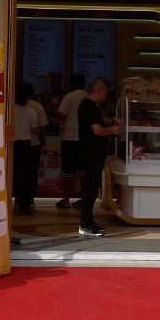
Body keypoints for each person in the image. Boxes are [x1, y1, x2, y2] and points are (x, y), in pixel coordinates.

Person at [76, 77, 121, 237]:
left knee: (91, 188)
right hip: (91, 153)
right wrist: (112, 130)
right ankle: (85, 224)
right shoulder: (88, 105)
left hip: (91, 153)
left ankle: (88, 222)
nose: (105, 97)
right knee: (90, 188)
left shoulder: (88, 105)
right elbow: (98, 130)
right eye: (105, 94)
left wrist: (111, 122)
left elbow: (98, 122)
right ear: (100, 91)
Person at [54, 73, 87, 209]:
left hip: (69, 138)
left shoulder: (69, 97)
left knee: (68, 172)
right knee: (84, 172)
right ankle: (84, 200)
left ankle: (66, 201)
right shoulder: (89, 97)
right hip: (85, 139)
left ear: (71, 84)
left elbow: (61, 116)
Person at [11, 82, 43, 215]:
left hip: (11, 144)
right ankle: (25, 206)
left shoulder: (8, 111)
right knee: (26, 176)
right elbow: (34, 130)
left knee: (11, 174)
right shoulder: (31, 111)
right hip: (25, 145)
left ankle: (8, 201)